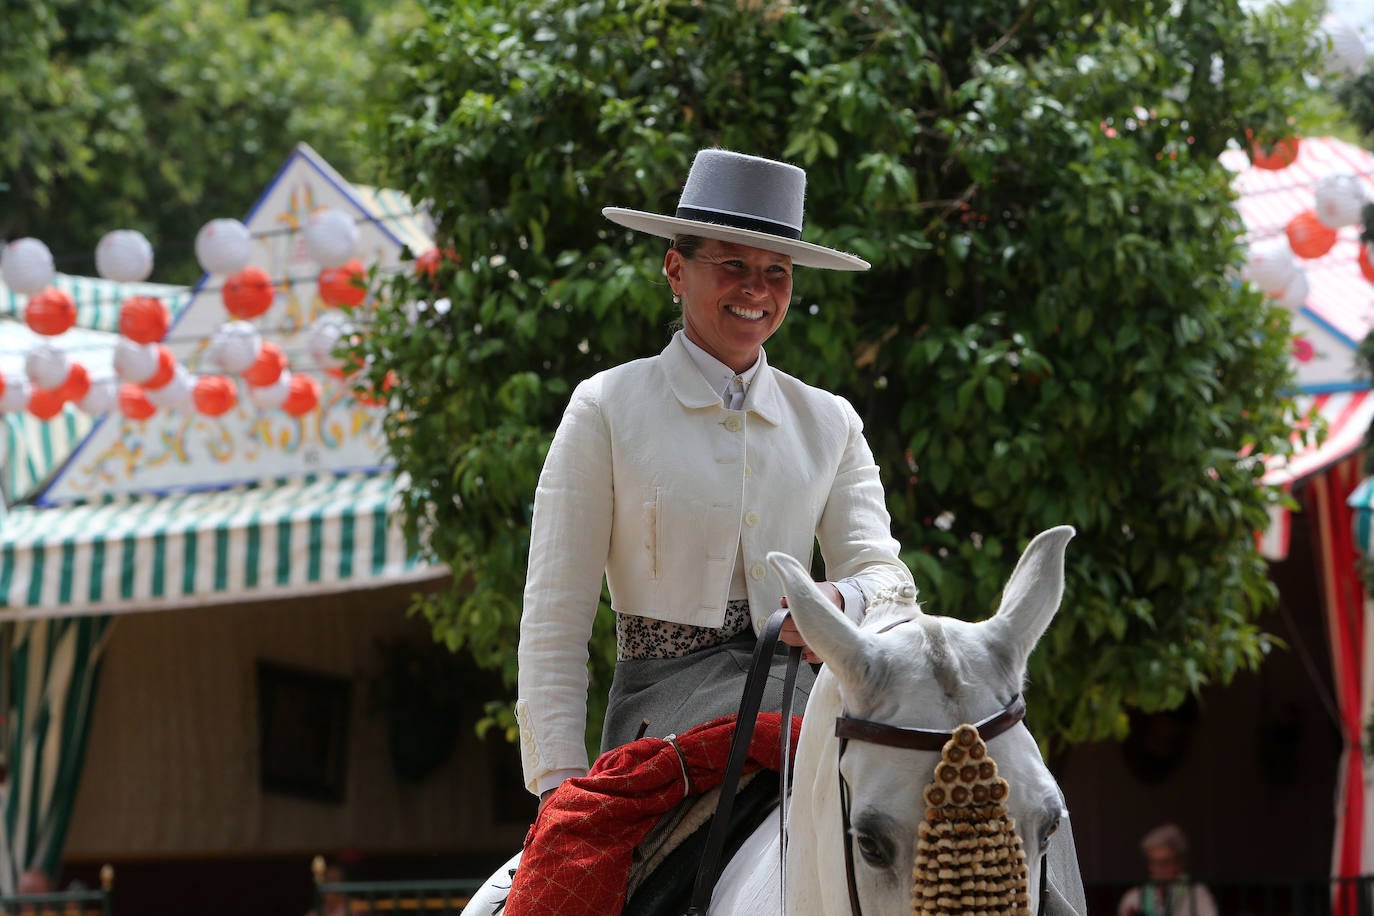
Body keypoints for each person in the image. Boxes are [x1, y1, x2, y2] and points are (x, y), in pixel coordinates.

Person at [514, 147, 915, 807]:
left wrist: (839, 601)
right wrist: (557, 781)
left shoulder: (830, 421)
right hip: (661, 719)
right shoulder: (606, 406)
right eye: (732, 264)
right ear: (676, 269)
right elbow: (556, 614)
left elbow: (889, 580)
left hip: (807, 706)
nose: (756, 289)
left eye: (776, 271)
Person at [1117, 823, 1217, 916]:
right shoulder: (1134, 898)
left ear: (1180, 863)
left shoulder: (1196, 894)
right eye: (1154, 862)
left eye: (1165, 863)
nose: (1158, 869)